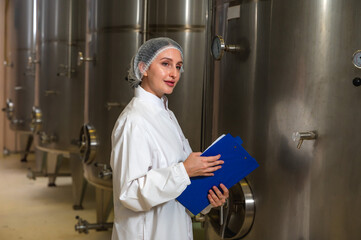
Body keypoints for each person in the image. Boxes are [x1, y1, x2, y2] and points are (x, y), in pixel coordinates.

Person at [110, 37, 229, 240]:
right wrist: (184, 170)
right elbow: (129, 193)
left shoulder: (167, 115)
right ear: (143, 68)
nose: (174, 73)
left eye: (178, 66)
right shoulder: (134, 121)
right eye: (165, 64)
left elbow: (179, 181)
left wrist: (208, 198)